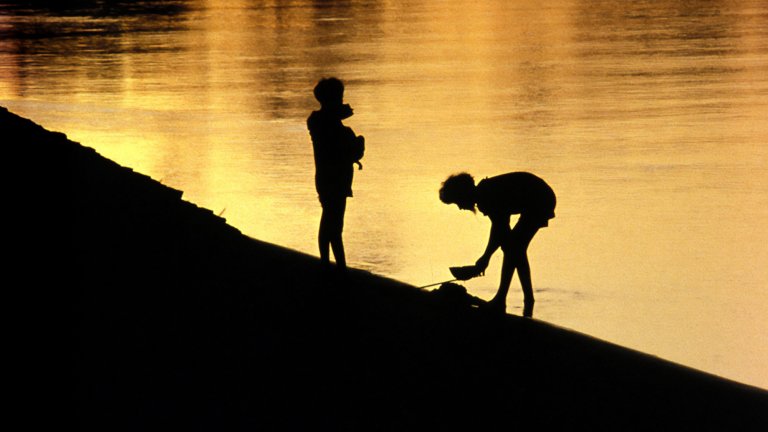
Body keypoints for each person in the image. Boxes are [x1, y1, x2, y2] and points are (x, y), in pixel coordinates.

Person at [439, 172, 556, 317]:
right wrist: (485, 259)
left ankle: (506, 299)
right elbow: (501, 230)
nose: (460, 207)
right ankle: (525, 299)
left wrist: (485, 259)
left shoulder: (487, 194)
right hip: (536, 198)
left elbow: (499, 228)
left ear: (463, 194)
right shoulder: (484, 194)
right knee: (514, 248)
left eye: (457, 202)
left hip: (540, 199)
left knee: (513, 247)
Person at [307, 77, 365, 271]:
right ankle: (338, 267)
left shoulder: (319, 121)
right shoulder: (322, 122)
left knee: (330, 221)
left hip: (328, 179)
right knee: (334, 224)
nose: (342, 101)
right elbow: (344, 148)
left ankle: (329, 263)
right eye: (339, 97)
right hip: (335, 180)